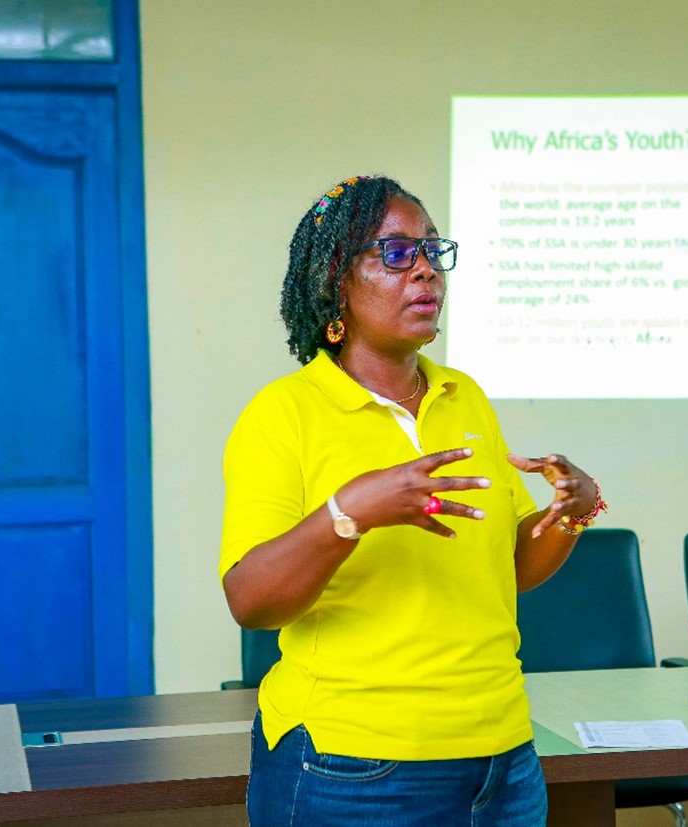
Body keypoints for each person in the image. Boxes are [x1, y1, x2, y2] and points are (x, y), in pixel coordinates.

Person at [220, 175, 605, 826]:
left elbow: (507, 569)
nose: (426, 270)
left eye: (433, 250)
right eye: (397, 254)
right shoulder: (281, 414)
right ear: (337, 281)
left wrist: (570, 512)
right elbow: (251, 601)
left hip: (503, 757)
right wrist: (351, 512)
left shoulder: (465, 396)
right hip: (354, 763)